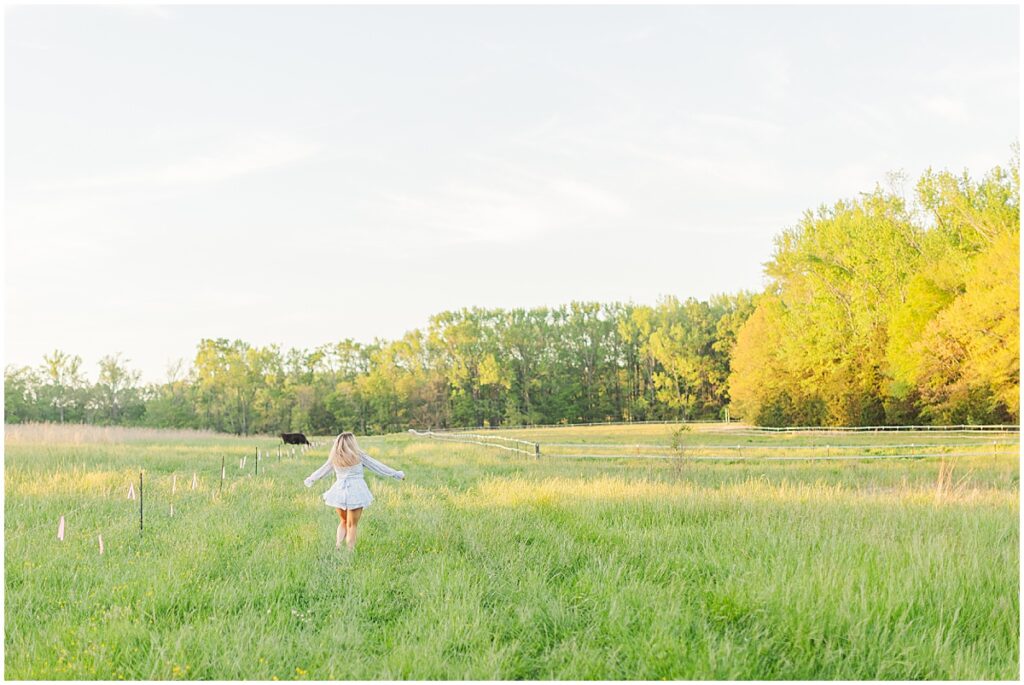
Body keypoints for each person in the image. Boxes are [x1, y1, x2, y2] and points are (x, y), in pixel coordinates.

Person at [304, 431, 405, 551]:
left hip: (339, 492)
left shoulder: (335, 458)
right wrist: (396, 474)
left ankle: (338, 546)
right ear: (353, 443)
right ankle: (350, 551)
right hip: (356, 492)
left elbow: (322, 470)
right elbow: (378, 466)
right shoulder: (359, 456)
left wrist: (311, 479)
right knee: (352, 525)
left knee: (343, 521)